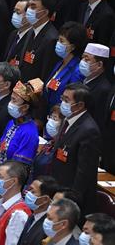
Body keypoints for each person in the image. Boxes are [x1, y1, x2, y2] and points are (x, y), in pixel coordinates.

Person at [49, 83, 100, 212]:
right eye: (62, 98)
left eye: (67, 100)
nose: (62, 103)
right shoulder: (68, 119)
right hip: (58, 187)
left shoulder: (89, 130)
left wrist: (70, 200)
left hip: (71, 200)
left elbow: (84, 172)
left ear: (80, 105)